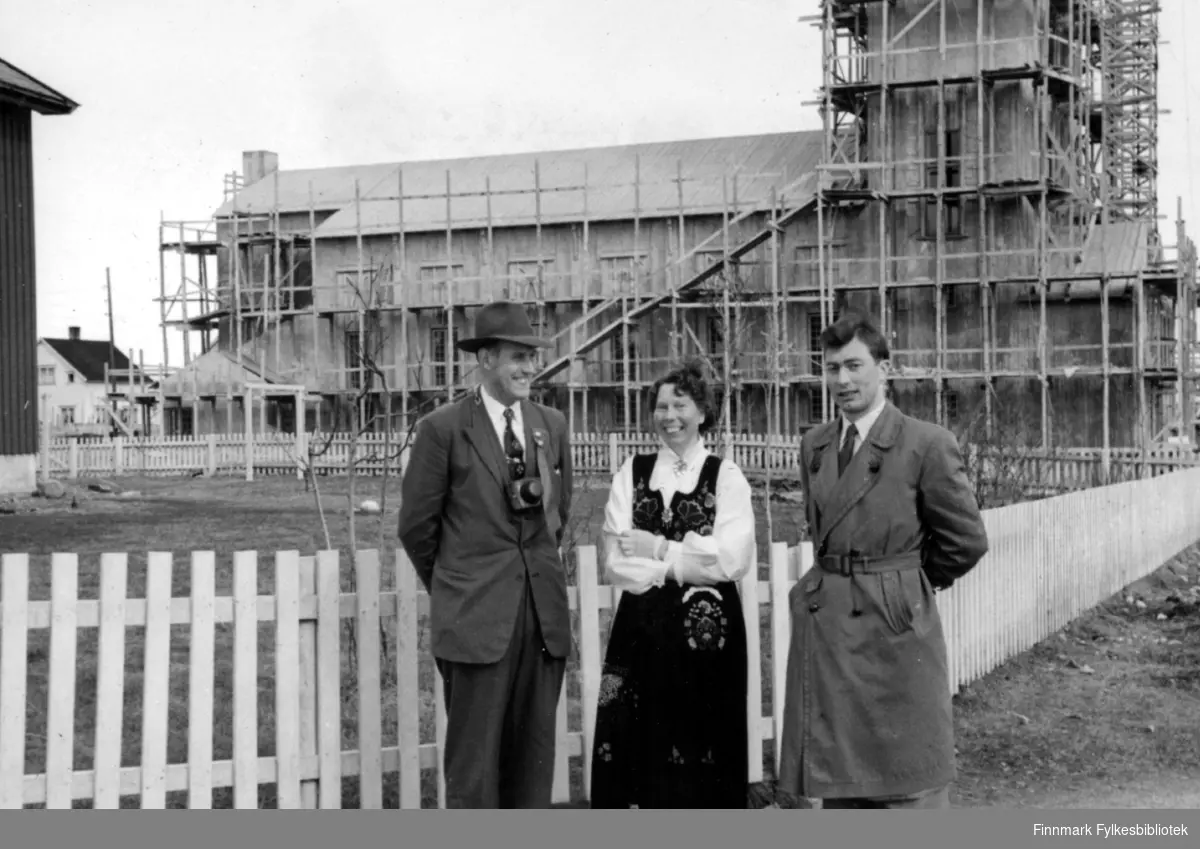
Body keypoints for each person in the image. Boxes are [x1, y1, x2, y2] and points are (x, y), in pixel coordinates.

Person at [778, 312, 989, 809]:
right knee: (840, 778)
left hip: (892, 629)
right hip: (830, 629)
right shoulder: (815, 445)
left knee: (904, 776)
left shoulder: (926, 443)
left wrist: (902, 587)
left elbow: (966, 540)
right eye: (831, 368)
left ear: (884, 369)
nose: (842, 380)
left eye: (854, 365)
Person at [397, 300, 573, 809]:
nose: (527, 368)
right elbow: (416, 527)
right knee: (475, 771)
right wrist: (459, 584)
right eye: (516, 356)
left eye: (531, 357)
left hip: (541, 619)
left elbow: (555, 518)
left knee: (533, 764)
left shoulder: (551, 424)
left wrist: (527, 576)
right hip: (475, 622)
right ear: (486, 360)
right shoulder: (444, 428)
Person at [589, 360, 757, 809]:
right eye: (661, 406)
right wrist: (688, 558)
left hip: (707, 640)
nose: (669, 416)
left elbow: (728, 561)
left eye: (680, 404)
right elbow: (616, 562)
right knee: (637, 746)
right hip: (640, 634)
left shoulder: (727, 477)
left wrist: (659, 553)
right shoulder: (632, 472)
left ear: (703, 411)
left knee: (702, 744)